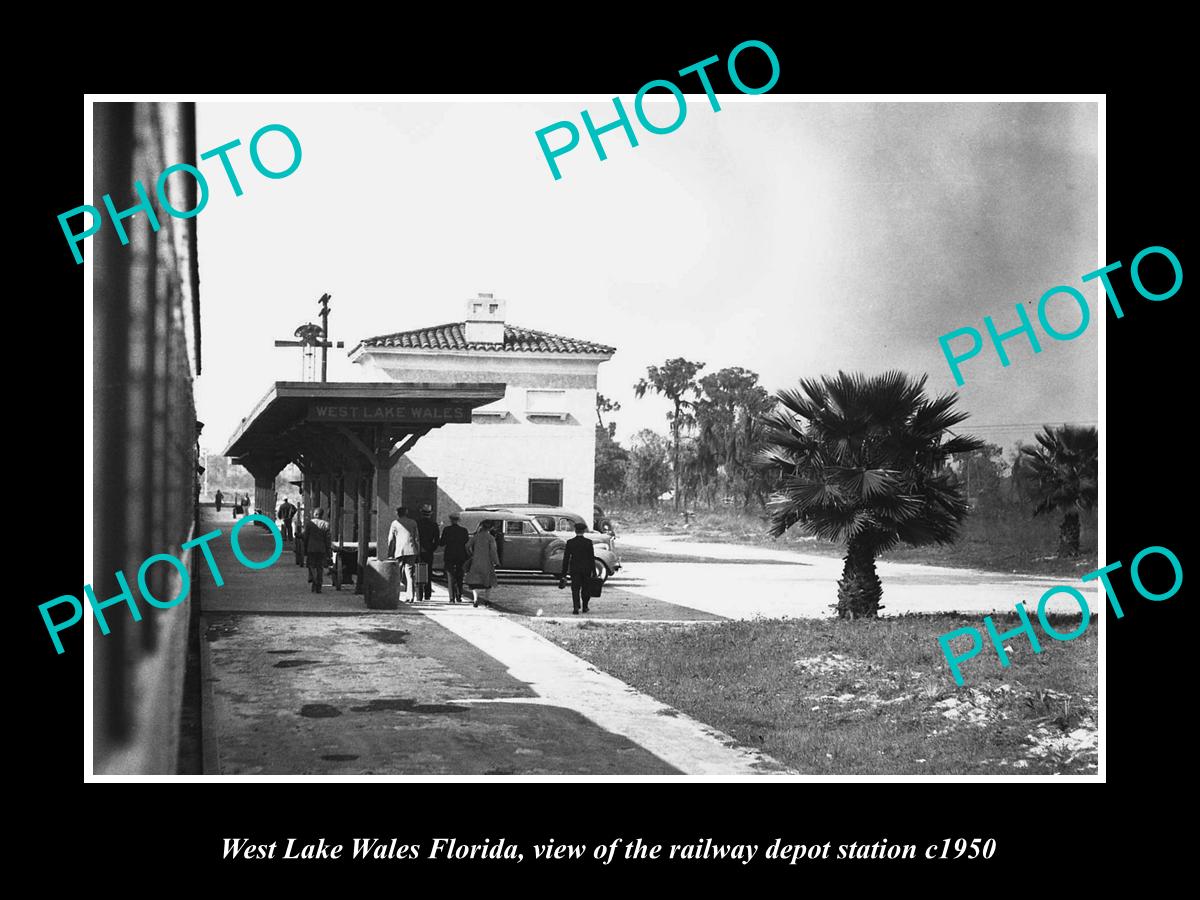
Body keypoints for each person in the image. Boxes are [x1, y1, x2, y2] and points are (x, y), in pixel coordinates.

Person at [559, 522, 597, 614]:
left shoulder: (570, 542)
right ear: (583, 531)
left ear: (575, 531)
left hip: (575, 569)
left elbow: (566, 559)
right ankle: (585, 606)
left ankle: (576, 607)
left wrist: (563, 574)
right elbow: (591, 558)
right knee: (586, 588)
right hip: (586, 569)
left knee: (575, 589)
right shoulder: (588, 542)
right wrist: (594, 571)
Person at [387, 506, 419, 603]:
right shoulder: (413, 522)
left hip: (399, 551)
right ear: (406, 513)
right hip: (411, 550)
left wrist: (390, 552)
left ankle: (396, 595)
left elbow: (391, 539)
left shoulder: (395, 523)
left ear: (397, 513)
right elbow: (417, 538)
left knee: (397, 573)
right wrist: (418, 550)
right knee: (409, 574)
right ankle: (410, 596)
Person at [464, 520, 499, 608]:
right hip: (487, 562)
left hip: (476, 561)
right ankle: (487, 600)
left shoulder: (476, 537)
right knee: (488, 582)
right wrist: (496, 561)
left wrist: (471, 554)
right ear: (490, 528)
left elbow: (467, 546)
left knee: (474, 582)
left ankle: (475, 600)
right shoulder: (491, 538)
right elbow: (493, 551)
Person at [439, 512, 470, 603]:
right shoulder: (464, 530)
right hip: (461, 555)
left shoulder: (447, 530)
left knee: (450, 576)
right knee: (460, 576)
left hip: (450, 555)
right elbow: (466, 543)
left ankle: (451, 598)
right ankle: (459, 595)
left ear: (450, 520)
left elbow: (442, 543)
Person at [304, 507, 332, 593]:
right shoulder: (326, 524)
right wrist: (328, 549)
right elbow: (328, 539)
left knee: (311, 565)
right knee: (320, 567)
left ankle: (314, 579)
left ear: (315, 514)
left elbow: (306, 537)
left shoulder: (309, 524)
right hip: (321, 549)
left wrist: (305, 548)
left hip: (311, 548)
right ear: (322, 515)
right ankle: (319, 585)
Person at [415, 503, 439, 601]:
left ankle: (418, 594)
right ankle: (427, 593)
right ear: (430, 514)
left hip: (418, 549)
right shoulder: (434, 525)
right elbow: (436, 540)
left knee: (417, 571)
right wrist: (432, 548)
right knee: (428, 572)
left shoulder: (417, 523)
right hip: (429, 550)